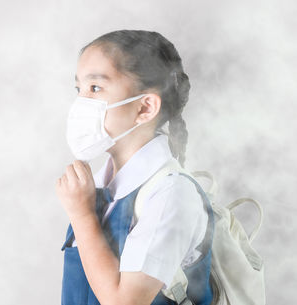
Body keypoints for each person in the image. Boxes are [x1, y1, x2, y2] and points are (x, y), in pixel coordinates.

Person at [55, 30, 214, 305]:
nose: (80, 103)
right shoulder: (99, 186)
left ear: (145, 108)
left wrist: (82, 216)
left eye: (95, 88)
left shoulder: (172, 195)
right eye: (78, 89)